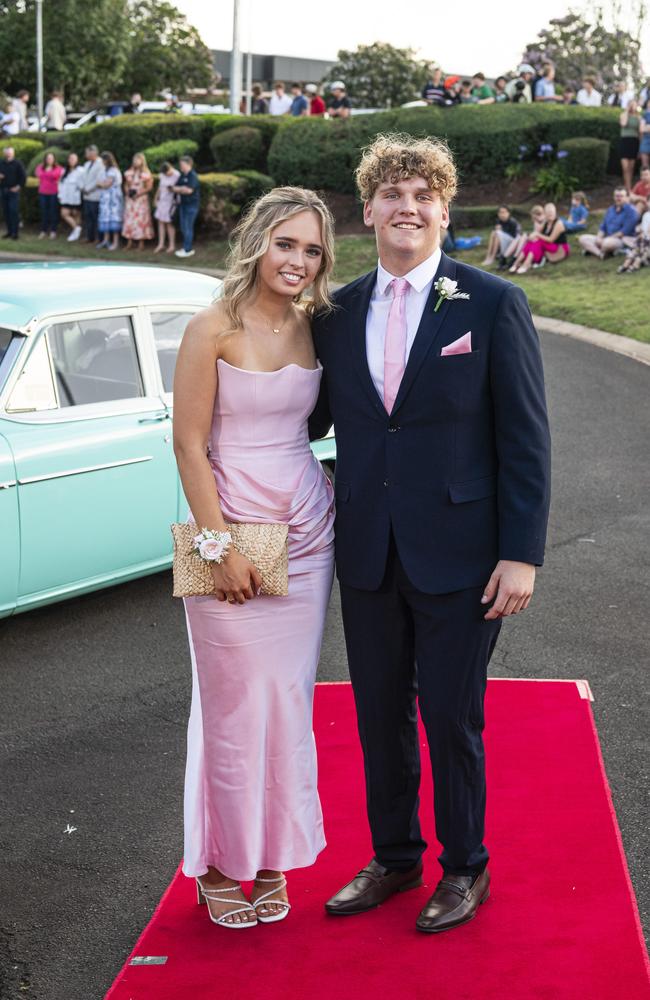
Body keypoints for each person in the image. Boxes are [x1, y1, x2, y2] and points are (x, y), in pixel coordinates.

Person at [309, 133, 551, 934]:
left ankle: (466, 867)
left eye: (423, 196)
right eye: (392, 195)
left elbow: (524, 436)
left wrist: (522, 553)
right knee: (378, 715)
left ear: (444, 210)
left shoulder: (489, 302)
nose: (407, 208)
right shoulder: (336, 313)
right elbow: (304, 416)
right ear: (368, 209)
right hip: (369, 551)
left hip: (464, 555)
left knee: (451, 716)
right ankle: (395, 856)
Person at [173, 186, 336, 928]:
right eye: (286, 244)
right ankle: (214, 865)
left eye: (311, 249)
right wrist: (220, 546)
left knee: (287, 705)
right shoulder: (211, 327)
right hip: (227, 528)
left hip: (307, 532)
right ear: (257, 242)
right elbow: (188, 445)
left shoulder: (315, 328)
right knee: (231, 707)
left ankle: (270, 863)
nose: (297, 260)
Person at [578, 187, 639, 258]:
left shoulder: (631, 211)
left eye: (621, 196)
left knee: (607, 244)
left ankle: (593, 249)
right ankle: (600, 254)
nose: (618, 198)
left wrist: (605, 240)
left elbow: (623, 232)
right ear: (614, 197)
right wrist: (599, 238)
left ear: (627, 198)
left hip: (621, 240)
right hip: (606, 238)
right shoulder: (610, 209)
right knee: (582, 238)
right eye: (617, 196)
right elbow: (603, 227)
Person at [509, 202, 568, 273]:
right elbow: (536, 232)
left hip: (559, 247)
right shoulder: (546, 222)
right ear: (545, 214)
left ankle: (526, 264)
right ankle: (516, 263)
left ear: (555, 212)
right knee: (533, 241)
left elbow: (551, 240)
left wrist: (537, 235)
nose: (550, 214)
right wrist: (532, 237)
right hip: (549, 245)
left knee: (539, 241)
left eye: (552, 212)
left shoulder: (558, 223)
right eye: (548, 213)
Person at [122, 151, 154, 250]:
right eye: (134, 160)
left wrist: (139, 193)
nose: (136, 162)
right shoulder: (130, 172)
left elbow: (149, 187)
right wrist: (127, 192)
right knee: (130, 219)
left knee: (141, 220)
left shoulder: (146, 173)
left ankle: (141, 242)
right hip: (131, 200)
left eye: (138, 160)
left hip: (141, 199)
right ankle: (129, 241)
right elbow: (126, 184)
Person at [173, 154, 200, 258]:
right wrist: (181, 189)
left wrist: (180, 189)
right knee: (184, 227)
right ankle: (186, 247)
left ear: (188, 164)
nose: (181, 166)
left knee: (188, 227)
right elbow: (174, 188)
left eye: (182, 164)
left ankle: (187, 249)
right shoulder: (182, 175)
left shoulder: (192, 176)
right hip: (183, 205)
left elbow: (189, 190)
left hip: (191, 206)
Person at [95, 151, 122, 251]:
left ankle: (115, 242)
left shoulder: (113, 170)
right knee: (105, 219)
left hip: (113, 200)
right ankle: (106, 240)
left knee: (113, 219)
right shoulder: (104, 170)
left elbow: (107, 184)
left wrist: (100, 184)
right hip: (105, 199)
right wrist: (101, 183)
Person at [35, 150, 63, 239]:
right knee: (44, 212)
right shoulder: (40, 167)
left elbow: (59, 176)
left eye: (51, 158)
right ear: (45, 159)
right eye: (48, 158)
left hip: (53, 193)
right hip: (43, 192)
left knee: (53, 212)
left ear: (54, 159)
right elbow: (38, 174)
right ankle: (43, 231)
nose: (49, 160)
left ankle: (53, 231)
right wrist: (49, 176)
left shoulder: (59, 168)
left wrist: (48, 176)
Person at [153, 160, 180, 253]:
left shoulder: (177, 175)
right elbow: (160, 188)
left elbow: (179, 188)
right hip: (162, 201)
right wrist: (156, 198)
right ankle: (161, 244)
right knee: (160, 222)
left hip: (171, 202)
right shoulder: (162, 175)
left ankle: (172, 245)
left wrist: (172, 189)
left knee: (169, 223)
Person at [58, 151, 85, 241]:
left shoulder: (81, 170)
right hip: (66, 196)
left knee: (76, 215)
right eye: (70, 158)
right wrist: (60, 195)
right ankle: (77, 229)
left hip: (76, 196)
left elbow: (82, 184)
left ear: (77, 160)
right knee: (64, 213)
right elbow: (60, 183)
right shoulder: (64, 171)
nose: (72, 160)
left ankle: (75, 233)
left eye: (74, 159)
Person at [0, 145, 26, 240]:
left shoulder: (18, 163)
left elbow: (23, 177)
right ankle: (9, 232)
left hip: (13, 192)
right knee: (6, 212)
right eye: (7, 152)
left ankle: (15, 233)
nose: (8, 153)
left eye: (10, 152)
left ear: (13, 153)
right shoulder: (1, 163)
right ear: (4, 153)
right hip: (3, 190)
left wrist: (18, 187)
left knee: (13, 212)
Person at [617, 198, 650, 272]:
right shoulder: (646, 215)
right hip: (643, 242)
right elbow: (643, 229)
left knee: (642, 246)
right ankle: (627, 264)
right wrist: (639, 229)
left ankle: (635, 264)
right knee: (638, 245)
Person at [81, 145, 104, 244]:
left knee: (96, 217)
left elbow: (98, 180)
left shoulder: (100, 164)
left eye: (87, 152)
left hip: (95, 195)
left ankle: (98, 238)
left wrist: (89, 189)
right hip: (86, 195)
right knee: (88, 217)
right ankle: (89, 237)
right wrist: (83, 188)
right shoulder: (86, 164)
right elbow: (82, 177)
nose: (86, 155)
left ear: (93, 153)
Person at [619, 99, 642, 192]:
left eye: (634, 105)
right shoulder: (623, 115)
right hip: (625, 141)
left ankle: (629, 187)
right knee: (625, 167)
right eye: (631, 105)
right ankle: (627, 187)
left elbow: (640, 133)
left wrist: (640, 147)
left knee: (631, 167)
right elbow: (623, 124)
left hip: (634, 141)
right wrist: (627, 111)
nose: (633, 107)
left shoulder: (639, 117)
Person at [639, 97, 650, 169]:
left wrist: (647, 126)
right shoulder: (645, 114)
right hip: (645, 141)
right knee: (645, 167)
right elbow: (641, 129)